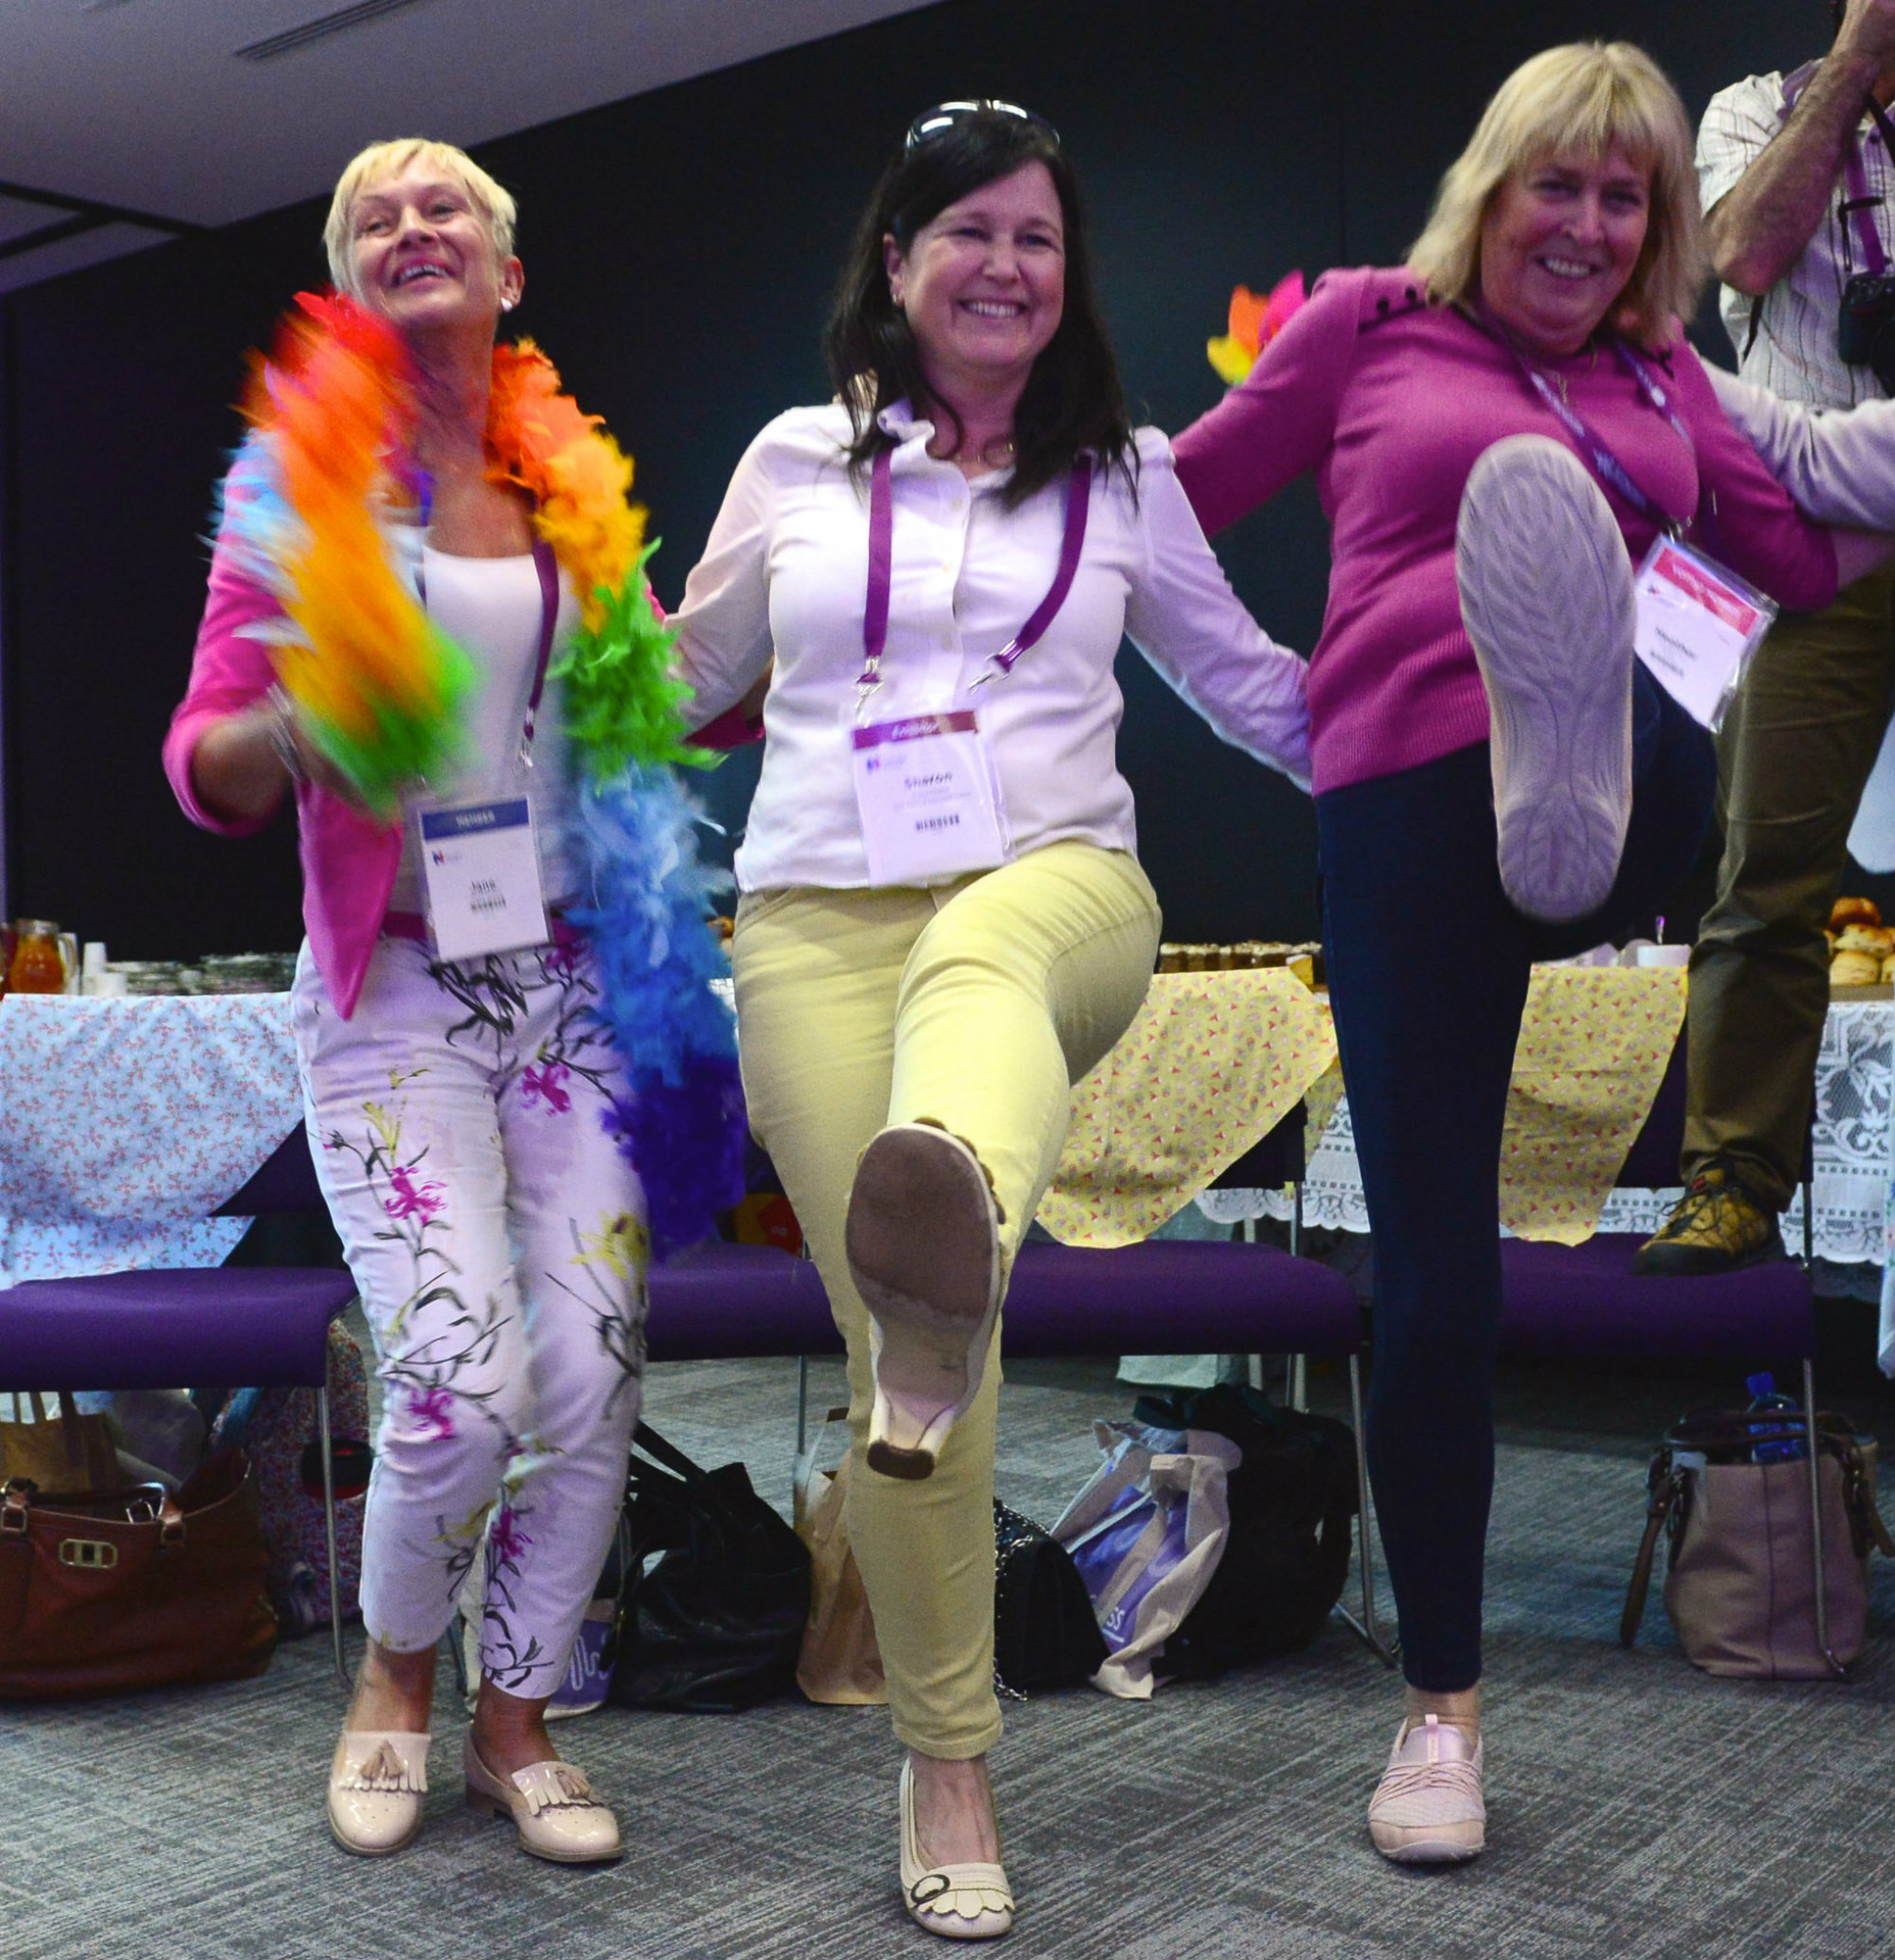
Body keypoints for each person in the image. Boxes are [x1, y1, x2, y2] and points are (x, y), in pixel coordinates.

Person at [1171, 41, 1880, 1863]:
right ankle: (1442, 1711)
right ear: (1490, 187)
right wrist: (1280, 702)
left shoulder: (1665, 375)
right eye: (1555, 182)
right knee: (1439, 1264)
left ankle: (1572, 746)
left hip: (1608, 792)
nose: (1586, 219)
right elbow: (1171, 508)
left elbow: (1798, 566)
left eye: (1625, 193)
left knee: (1667, 744)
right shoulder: (1363, 325)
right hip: (1401, 802)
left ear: (1653, 228)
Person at [670, 102, 1308, 1937]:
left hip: (1059, 899)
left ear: (1066, 277)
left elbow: (1255, 689)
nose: (1004, 266)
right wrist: (483, 651)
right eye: (967, 234)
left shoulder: (1129, 477)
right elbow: (679, 674)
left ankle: (941, 1183)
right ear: (895, 263)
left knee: (974, 990)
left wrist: (1438, 733)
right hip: (808, 922)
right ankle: (942, 1759)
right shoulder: (792, 460)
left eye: (1036, 238)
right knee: (911, 1379)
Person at [165, 138, 736, 1863]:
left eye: (450, 210)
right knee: (460, 1379)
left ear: (506, 273)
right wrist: (296, 725)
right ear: (349, 279)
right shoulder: (293, 495)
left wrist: (800, 596)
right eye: (376, 218)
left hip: (568, 981)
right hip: (394, 989)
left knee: (593, 1360)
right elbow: (206, 758)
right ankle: (393, 1680)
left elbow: (677, 702)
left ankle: (519, 1717)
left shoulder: (565, 482)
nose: (416, 226)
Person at [1634, 0, 1895, 1276]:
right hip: (1813, 544)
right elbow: (1738, 253)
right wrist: (1853, 68)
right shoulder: (1759, 106)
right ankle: (1734, 1178)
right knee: (1767, 874)